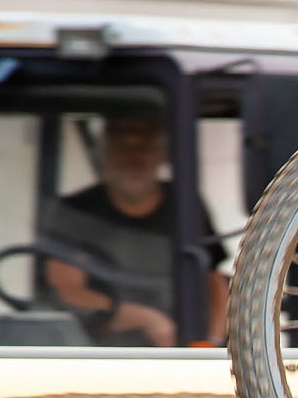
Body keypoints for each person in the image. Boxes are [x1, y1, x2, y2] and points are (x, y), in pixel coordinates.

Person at [40, 112, 228, 347]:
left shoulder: (186, 205)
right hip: (92, 354)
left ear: (163, 154)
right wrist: (145, 318)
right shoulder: (75, 211)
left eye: (144, 146)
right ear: (105, 152)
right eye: (122, 146)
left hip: (181, 356)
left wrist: (209, 343)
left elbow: (213, 280)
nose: (133, 156)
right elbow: (65, 290)